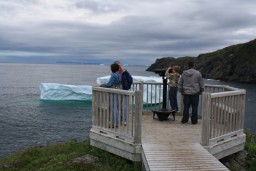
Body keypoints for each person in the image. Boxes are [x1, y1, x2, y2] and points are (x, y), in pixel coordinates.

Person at [178, 60, 204, 124]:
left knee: (186, 107)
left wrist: (181, 91)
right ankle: (194, 121)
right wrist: (201, 90)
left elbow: (180, 83)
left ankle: (185, 120)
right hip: (195, 93)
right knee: (195, 107)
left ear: (187, 66)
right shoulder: (198, 73)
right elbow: (201, 83)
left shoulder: (184, 73)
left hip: (186, 93)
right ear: (194, 65)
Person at [100, 63, 122, 127]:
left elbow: (109, 84)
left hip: (112, 92)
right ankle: (117, 122)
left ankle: (114, 124)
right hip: (117, 91)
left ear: (113, 68)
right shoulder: (119, 75)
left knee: (113, 108)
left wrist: (101, 85)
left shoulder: (113, 75)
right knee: (117, 108)